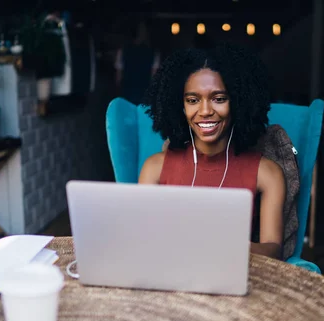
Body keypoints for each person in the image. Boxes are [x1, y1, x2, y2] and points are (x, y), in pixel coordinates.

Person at [138, 43, 286, 260]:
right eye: (192, 100)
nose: (205, 111)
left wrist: (230, 247)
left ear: (238, 102)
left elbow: (274, 249)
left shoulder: (267, 173)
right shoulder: (154, 168)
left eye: (219, 99)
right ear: (180, 106)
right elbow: (142, 240)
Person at [114, 20, 160, 105]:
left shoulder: (123, 51)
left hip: (127, 92)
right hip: (144, 94)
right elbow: (154, 77)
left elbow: (118, 77)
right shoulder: (153, 52)